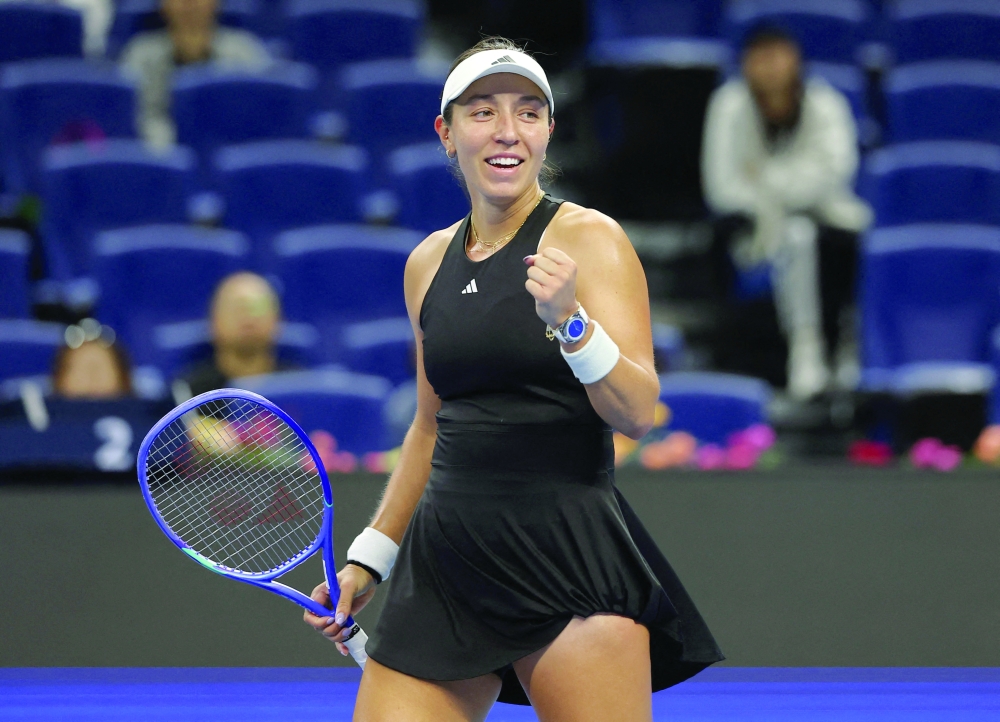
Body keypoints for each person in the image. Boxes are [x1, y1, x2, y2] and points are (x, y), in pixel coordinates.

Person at [302, 37, 723, 721]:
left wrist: (572, 323)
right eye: (482, 112)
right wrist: (369, 560)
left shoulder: (592, 239)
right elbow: (429, 427)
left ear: (548, 131)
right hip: (445, 563)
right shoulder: (426, 263)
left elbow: (638, 413)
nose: (506, 132)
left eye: (528, 113)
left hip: (567, 557)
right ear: (446, 133)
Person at [701, 26, 872, 399]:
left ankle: (843, 349)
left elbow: (835, 175)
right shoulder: (728, 105)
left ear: (795, 60)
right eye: (760, 58)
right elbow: (722, 188)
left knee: (820, 236)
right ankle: (801, 352)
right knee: (790, 234)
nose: (771, 68)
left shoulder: (827, 104)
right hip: (754, 231)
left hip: (827, 222)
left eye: (778, 56)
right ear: (745, 65)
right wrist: (789, 187)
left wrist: (766, 181)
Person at [119, 0, 271, 148]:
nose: (190, 3)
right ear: (163, 4)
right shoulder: (139, 55)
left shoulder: (247, 53)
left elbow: (261, 121)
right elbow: (135, 119)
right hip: (161, 158)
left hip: (231, 152)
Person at [174, 272, 291, 399]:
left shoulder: (297, 386)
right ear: (214, 320)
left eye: (257, 308)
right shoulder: (186, 392)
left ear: (278, 320)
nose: (248, 318)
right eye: (237, 309)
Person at [53, 337, 132, 399]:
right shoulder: (43, 418)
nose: (92, 377)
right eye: (81, 370)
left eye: (98, 368)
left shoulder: (141, 417)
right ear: (60, 378)